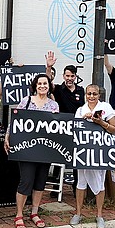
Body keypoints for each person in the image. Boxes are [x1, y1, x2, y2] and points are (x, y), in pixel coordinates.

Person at [4, 74, 59, 228]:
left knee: (40, 181)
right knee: (26, 181)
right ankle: (19, 214)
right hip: (27, 149)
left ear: (49, 86)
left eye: (45, 83)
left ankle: (34, 213)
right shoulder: (26, 101)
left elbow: (57, 127)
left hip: (45, 150)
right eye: (39, 83)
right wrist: (8, 136)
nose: (42, 86)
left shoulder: (53, 105)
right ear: (35, 85)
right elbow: (15, 121)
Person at [70, 84, 115, 228]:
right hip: (84, 151)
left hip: (100, 151)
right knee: (81, 183)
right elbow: (75, 129)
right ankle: (78, 212)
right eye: (89, 94)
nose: (91, 96)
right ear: (85, 95)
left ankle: (99, 214)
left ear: (99, 95)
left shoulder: (106, 107)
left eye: (94, 94)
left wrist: (100, 122)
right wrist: (84, 120)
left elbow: (113, 129)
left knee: (99, 182)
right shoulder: (80, 110)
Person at [46, 52, 85, 188]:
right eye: (67, 75)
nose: (69, 78)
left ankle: (76, 187)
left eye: (72, 76)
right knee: (59, 156)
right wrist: (49, 67)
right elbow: (47, 83)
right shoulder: (57, 89)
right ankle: (56, 186)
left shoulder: (81, 90)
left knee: (75, 157)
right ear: (63, 76)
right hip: (61, 127)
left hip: (76, 128)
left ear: (75, 77)